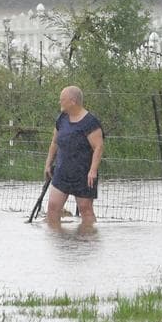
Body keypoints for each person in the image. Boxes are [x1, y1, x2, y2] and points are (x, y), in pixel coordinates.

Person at [44, 86, 104, 226]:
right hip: (61, 172)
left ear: (73, 101)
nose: (60, 102)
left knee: (86, 210)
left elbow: (98, 147)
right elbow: (54, 142)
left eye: (62, 100)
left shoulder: (90, 122)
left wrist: (93, 170)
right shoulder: (61, 119)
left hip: (83, 174)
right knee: (52, 208)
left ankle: (87, 241)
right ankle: (57, 241)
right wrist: (48, 163)